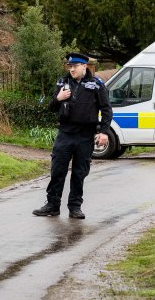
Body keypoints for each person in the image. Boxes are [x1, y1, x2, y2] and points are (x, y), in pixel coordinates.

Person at [33, 51, 113, 220]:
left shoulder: (96, 84)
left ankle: (75, 207)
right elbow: (51, 107)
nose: (72, 69)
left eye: (75, 66)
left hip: (85, 135)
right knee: (57, 170)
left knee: (79, 172)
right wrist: (58, 98)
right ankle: (52, 205)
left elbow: (106, 109)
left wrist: (104, 132)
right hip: (65, 133)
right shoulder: (62, 82)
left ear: (84, 66)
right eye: (70, 66)